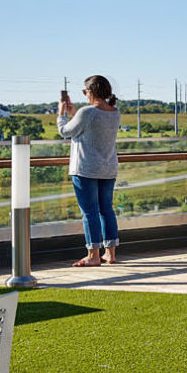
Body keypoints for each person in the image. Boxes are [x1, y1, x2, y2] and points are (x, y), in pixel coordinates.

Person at [59, 74, 122, 266]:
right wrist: (75, 113)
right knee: (106, 210)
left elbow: (65, 131)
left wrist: (61, 114)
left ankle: (93, 255)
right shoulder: (114, 112)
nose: (84, 94)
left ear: (92, 91)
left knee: (90, 213)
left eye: (85, 91)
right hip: (108, 168)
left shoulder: (87, 113)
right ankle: (110, 253)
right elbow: (92, 126)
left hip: (86, 169)